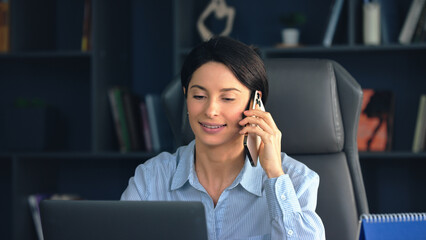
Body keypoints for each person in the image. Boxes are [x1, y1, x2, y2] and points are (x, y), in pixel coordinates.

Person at [121, 36, 325, 240]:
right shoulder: (150, 179)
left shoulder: (296, 181)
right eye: (199, 96)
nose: (211, 110)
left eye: (227, 98)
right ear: (186, 96)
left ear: (255, 103)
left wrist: (273, 173)